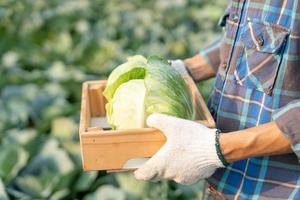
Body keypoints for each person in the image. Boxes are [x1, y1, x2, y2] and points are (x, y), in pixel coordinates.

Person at [133, 1, 300, 199]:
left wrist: (215, 150)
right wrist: (185, 70)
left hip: (275, 190)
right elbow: (254, 33)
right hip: (221, 185)